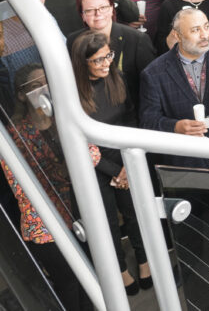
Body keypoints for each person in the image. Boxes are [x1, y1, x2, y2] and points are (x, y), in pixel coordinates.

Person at [2, 64, 100, 309]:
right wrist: (63, 171)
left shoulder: (65, 117)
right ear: (22, 95)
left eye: (47, 82)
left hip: (80, 210)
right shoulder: (14, 135)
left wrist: (71, 166)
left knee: (91, 275)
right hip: (45, 224)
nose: (44, 89)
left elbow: (94, 153)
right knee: (67, 282)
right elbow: (21, 188)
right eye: (36, 86)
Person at [70, 31, 149, 294]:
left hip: (125, 158)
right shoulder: (72, 95)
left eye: (109, 56)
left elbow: (131, 120)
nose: (107, 64)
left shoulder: (119, 78)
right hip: (94, 167)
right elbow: (79, 142)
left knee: (135, 214)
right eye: (98, 60)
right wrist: (115, 172)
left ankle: (144, 260)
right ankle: (120, 269)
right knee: (107, 223)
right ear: (83, 64)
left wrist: (128, 164)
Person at [138, 8, 209, 170]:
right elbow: (148, 121)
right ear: (177, 35)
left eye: (206, 26)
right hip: (183, 163)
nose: (205, 35)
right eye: (195, 30)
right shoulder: (153, 73)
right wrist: (175, 127)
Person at [67, 0, 156, 114]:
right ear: (83, 15)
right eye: (90, 10)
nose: (98, 14)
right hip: (90, 110)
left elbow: (150, 84)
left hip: (129, 112)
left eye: (103, 8)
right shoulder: (74, 40)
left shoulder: (137, 40)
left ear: (112, 10)